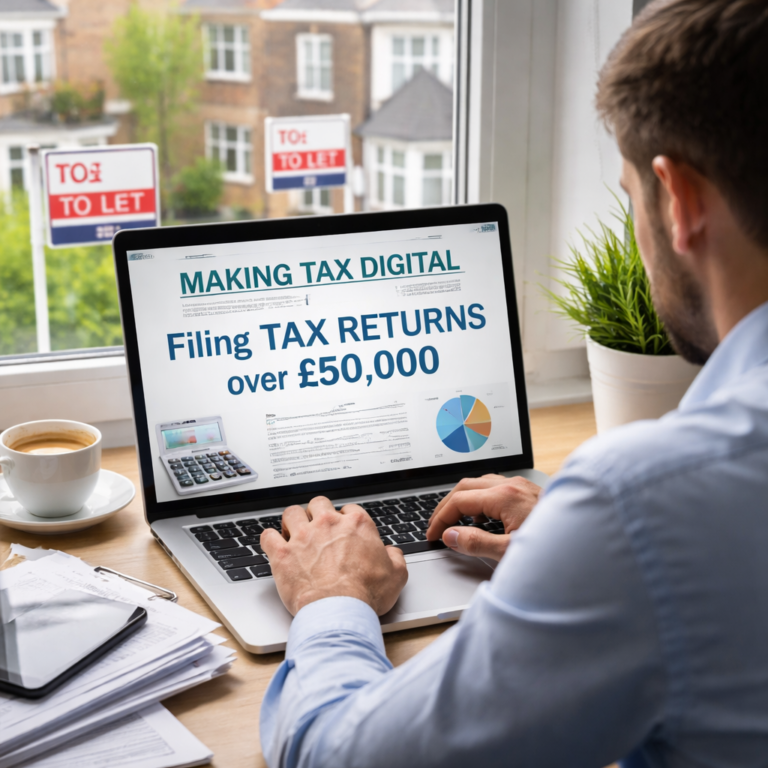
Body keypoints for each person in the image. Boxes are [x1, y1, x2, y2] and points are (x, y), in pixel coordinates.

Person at [259, 0, 768, 765]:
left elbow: (344, 757)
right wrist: (574, 533)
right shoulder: (657, 505)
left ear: (682, 199)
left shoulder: (651, 505)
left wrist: (330, 602)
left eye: (632, 195)